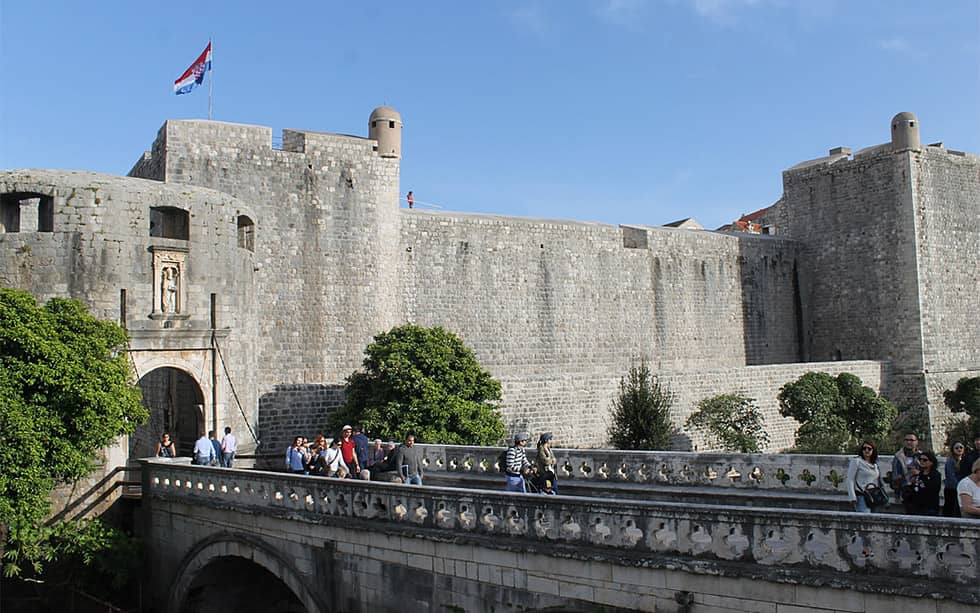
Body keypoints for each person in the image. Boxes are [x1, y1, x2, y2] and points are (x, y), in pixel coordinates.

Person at [845, 440, 884, 513]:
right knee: (864, 519)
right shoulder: (856, 461)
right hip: (861, 495)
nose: (866, 450)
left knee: (875, 519)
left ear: (873, 450)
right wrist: (852, 497)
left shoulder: (875, 465)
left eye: (869, 449)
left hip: (873, 496)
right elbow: (850, 479)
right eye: (864, 448)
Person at [903, 450, 941, 516]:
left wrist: (921, 478)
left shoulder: (935, 475)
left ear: (931, 462)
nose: (921, 461)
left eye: (925, 460)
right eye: (920, 459)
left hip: (929, 508)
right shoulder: (919, 474)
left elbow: (932, 488)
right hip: (915, 507)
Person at [891, 432, 920, 502]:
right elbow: (895, 476)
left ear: (916, 442)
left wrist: (918, 473)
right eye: (906, 440)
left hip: (919, 491)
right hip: (903, 492)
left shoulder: (921, 456)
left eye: (911, 440)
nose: (909, 442)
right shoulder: (898, 457)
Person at [943, 441, 967, 517]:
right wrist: (959, 487)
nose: (959, 449)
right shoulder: (950, 461)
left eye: (961, 447)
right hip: (952, 490)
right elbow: (951, 476)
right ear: (953, 450)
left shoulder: (965, 460)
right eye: (956, 448)